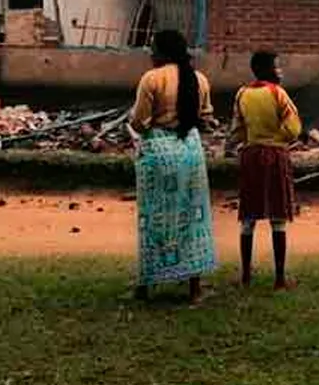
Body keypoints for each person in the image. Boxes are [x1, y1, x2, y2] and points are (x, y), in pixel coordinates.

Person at [129, 30, 216, 304]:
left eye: (153, 48)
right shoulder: (199, 79)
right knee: (193, 217)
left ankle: (145, 285)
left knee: (154, 218)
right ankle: (195, 288)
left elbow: (139, 122)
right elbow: (206, 117)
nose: (151, 53)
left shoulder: (151, 78)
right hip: (190, 151)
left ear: (163, 52)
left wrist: (134, 126)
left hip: (160, 151)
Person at [229, 50, 302, 289]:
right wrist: (276, 139)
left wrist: (242, 142)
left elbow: (237, 129)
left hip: (250, 156)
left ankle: (246, 275)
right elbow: (293, 128)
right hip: (275, 156)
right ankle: (280, 278)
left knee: (248, 216)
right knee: (278, 216)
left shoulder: (242, 93)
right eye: (277, 66)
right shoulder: (278, 93)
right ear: (269, 70)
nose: (280, 70)